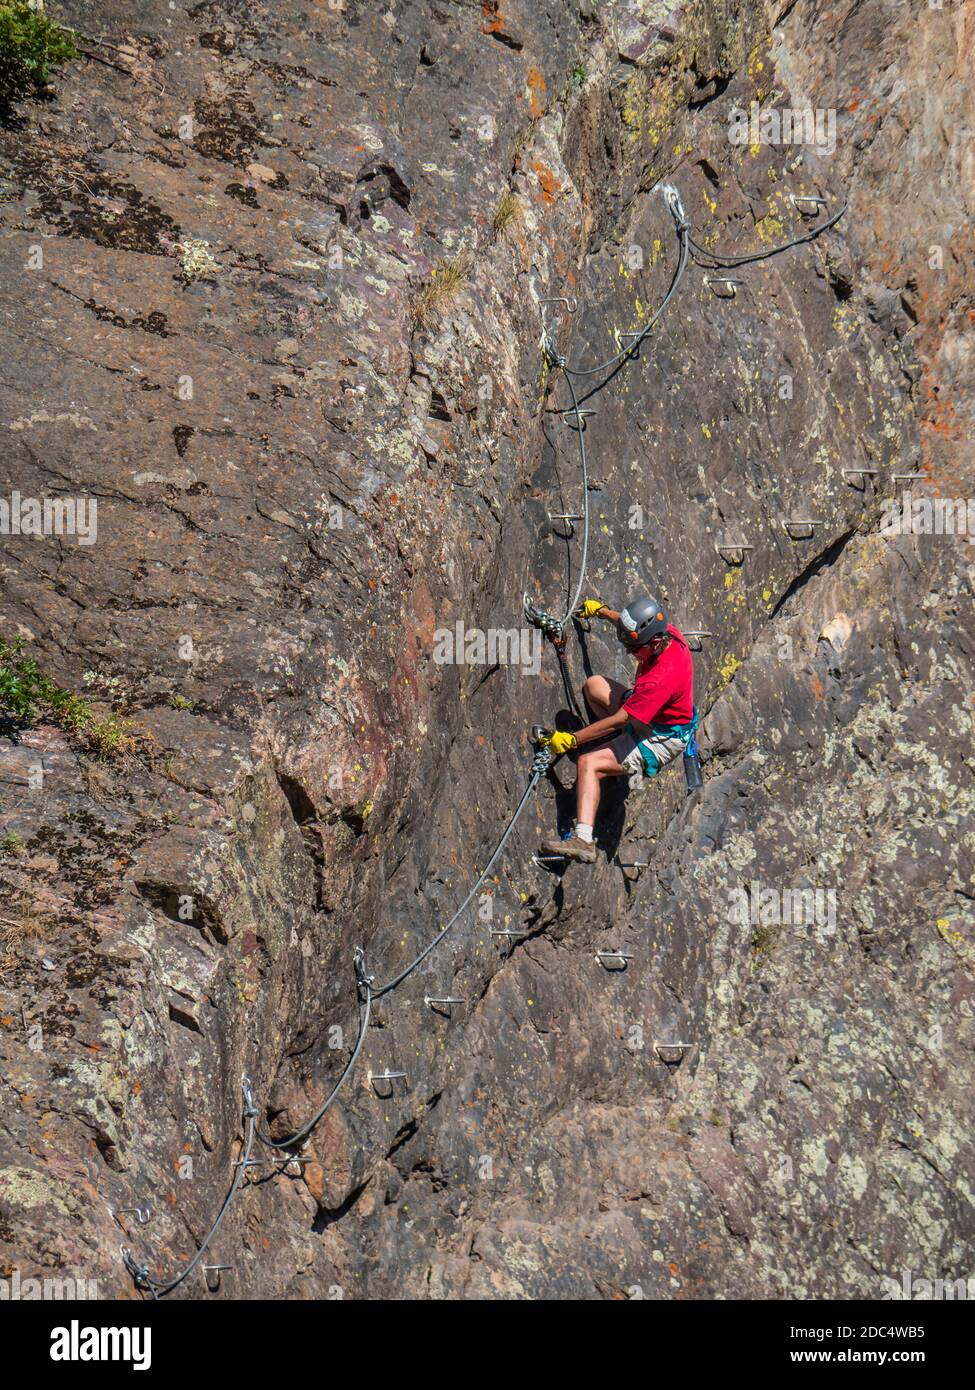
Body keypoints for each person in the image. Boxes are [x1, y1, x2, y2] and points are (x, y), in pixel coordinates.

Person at [538, 594, 696, 863]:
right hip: (649, 716)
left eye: (634, 649)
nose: (629, 653)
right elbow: (632, 631)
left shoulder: (661, 678)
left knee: (588, 763)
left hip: (659, 739)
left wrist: (571, 741)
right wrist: (602, 611)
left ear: (655, 643)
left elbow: (621, 718)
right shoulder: (664, 633)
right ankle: (617, 749)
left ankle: (583, 840)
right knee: (594, 686)